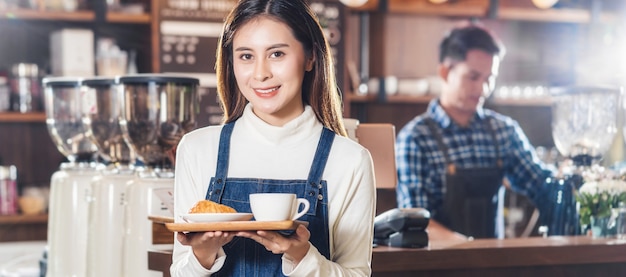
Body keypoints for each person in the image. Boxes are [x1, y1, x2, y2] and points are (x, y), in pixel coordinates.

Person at [170, 0, 376, 276]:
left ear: (310, 58)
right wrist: (203, 255)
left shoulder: (350, 160)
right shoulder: (197, 149)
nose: (260, 73)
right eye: (246, 56)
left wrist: (302, 255)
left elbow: (357, 273)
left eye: (277, 54)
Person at [395, 22, 553, 240]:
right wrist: (466, 249)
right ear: (444, 72)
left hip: (493, 265)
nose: (483, 89)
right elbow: (415, 223)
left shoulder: (502, 132)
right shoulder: (415, 139)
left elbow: (543, 187)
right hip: (437, 267)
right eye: (473, 77)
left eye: (489, 79)